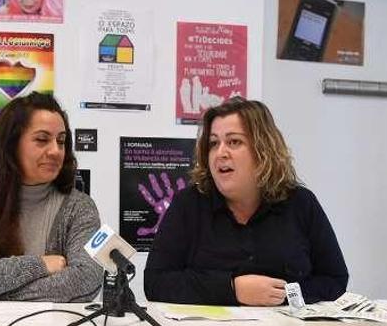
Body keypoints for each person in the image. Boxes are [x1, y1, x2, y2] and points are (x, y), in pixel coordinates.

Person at [144, 97, 348, 306]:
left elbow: (335, 279)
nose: (220, 153)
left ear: (263, 150)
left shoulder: (301, 203)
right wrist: (232, 289)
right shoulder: (188, 205)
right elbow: (155, 282)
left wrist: (283, 295)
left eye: (234, 142)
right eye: (214, 143)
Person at [0, 92, 102, 301]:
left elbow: (87, 279)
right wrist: (40, 264)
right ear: (10, 145)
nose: (56, 151)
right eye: (42, 139)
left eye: (61, 141)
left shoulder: (80, 207)